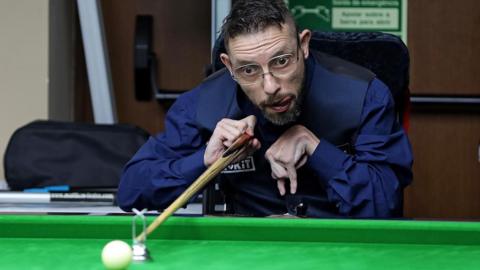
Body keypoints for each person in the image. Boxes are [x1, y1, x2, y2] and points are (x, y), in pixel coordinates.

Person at [117, 0, 413, 218]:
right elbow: (131, 192)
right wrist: (205, 159)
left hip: (344, 248)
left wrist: (316, 147)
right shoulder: (204, 105)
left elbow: (384, 203)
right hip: (247, 252)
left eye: (281, 61)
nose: (270, 86)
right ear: (228, 66)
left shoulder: (365, 96)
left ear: (304, 45)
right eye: (248, 70)